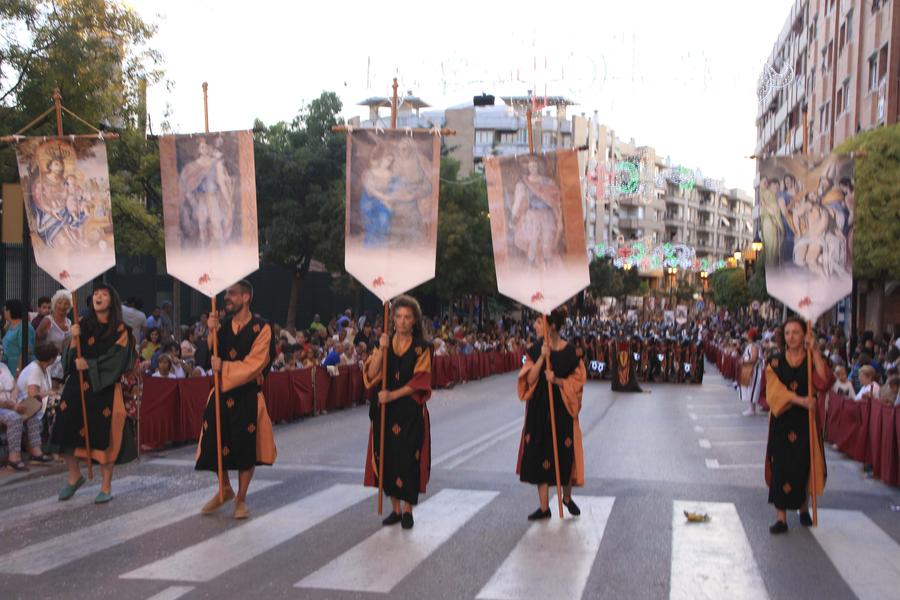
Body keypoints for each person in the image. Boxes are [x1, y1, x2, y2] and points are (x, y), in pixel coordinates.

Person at [196, 280, 276, 519]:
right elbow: (204, 358)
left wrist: (225, 367)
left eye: (232, 293)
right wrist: (210, 333)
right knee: (214, 443)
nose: (227, 297)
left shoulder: (262, 328)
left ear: (246, 297)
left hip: (247, 395)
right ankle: (225, 489)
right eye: (227, 293)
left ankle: (241, 498)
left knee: (244, 448)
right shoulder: (220, 327)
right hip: (220, 393)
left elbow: (256, 364)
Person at [51, 284, 138, 503]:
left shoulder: (121, 330)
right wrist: (73, 341)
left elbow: (118, 360)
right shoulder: (81, 326)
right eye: (96, 294)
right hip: (77, 385)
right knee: (64, 427)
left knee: (105, 435)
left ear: (112, 300)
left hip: (105, 388)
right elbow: (68, 362)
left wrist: (88, 365)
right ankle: (74, 477)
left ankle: (106, 485)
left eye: (104, 294)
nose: (99, 297)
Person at [363, 295, 432, 530]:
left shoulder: (423, 347)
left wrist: (393, 395)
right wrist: (381, 351)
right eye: (399, 317)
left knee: (408, 458)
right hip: (386, 411)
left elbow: (420, 381)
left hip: (410, 410)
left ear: (414, 321)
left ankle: (408, 510)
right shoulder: (382, 343)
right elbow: (372, 374)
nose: (402, 322)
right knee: (388, 457)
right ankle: (394, 509)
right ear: (393, 319)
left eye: (407, 318)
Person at [764, 316, 834, 534]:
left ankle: (804, 509)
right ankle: (781, 517)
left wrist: (815, 352)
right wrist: (800, 400)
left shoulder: (811, 359)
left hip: (806, 421)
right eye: (787, 333)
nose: (791, 337)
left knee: (803, 462)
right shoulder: (775, 362)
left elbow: (824, 382)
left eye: (796, 332)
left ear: (804, 335)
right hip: (783, 420)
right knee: (781, 465)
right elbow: (774, 391)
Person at [516, 310, 586, 520]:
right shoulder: (535, 350)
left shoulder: (572, 353)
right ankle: (544, 507)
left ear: (552, 326)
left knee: (565, 452)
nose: (535, 326)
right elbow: (529, 380)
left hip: (562, 408)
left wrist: (557, 380)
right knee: (540, 453)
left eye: (539, 322)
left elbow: (578, 383)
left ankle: (566, 497)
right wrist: (542, 359)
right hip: (539, 409)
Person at [1, 347, 54, 471]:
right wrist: (13, 406)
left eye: (1, 350)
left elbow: (14, 386)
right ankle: (14, 458)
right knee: (14, 418)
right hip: (3, 406)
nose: (1, 353)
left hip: (11, 402)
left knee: (31, 413)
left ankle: (36, 451)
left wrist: (14, 401)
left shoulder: (3, 367)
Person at [3, 300, 36, 374]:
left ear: (9, 311)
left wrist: (19, 369)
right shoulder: (11, 326)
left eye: (5, 309)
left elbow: (27, 349)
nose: (3, 312)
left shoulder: (24, 327)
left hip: (20, 369)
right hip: (10, 367)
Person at [740, 329, 764, 416]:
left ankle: (752, 409)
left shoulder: (754, 346)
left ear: (750, 336)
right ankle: (751, 408)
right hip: (751, 370)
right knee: (750, 389)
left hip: (754, 370)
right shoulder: (752, 345)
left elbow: (754, 359)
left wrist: (744, 362)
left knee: (752, 389)